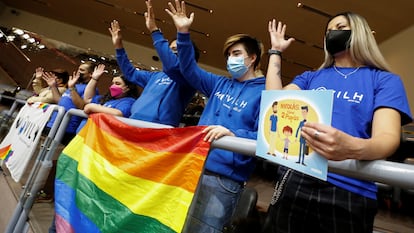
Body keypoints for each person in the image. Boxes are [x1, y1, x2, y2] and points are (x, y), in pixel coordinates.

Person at [263, 13, 412, 232]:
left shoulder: (384, 80)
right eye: (328, 31)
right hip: (298, 178)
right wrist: (275, 52)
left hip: (350, 186)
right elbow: (274, 103)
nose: (332, 33)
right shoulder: (311, 77)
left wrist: (353, 147)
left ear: (359, 32)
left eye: (340, 27)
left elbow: (387, 139)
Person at [166, 1, 265, 231]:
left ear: (252, 59)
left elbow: (264, 137)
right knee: (180, 224)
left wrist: (233, 134)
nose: (231, 59)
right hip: (195, 165)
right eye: (229, 54)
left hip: (225, 179)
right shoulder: (219, 83)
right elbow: (189, 69)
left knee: (206, 229)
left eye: (237, 53)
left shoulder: (265, 92)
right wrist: (183, 33)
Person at [108, 0, 199, 127]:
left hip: (158, 131)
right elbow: (130, 73)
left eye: (179, 50)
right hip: (133, 123)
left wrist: (154, 30)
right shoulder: (155, 76)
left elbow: (173, 66)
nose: (173, 53)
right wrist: (119, 47)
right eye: (171, 49)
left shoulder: (189, 78)